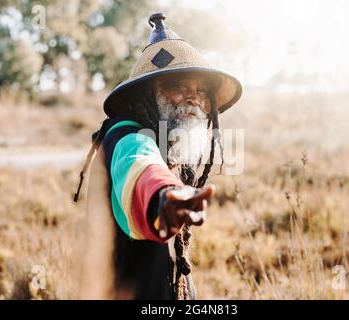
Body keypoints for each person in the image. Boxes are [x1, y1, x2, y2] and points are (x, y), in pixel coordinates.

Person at [76, 12, 242, 300]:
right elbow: (140, 167)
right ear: (146, 94)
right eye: (179, 86)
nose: (194, 99)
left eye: (202, 91)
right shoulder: (125, 137)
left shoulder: (170, 145)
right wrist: (163, 197)